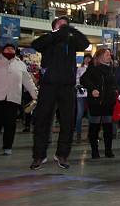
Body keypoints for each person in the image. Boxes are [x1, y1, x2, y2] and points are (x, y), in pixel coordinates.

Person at [30, 15, 91, 170]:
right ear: (54, 26)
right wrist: (56, 34)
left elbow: (85, 43)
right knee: (42, 121)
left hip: (67, 87)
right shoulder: (48, 39)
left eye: (66, 25)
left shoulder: (71, 42)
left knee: (68, 122)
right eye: (61, 24)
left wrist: (70, 30)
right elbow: (36, 44)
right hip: (48, 86)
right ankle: (39, 155)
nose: (64, 27)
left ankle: (62, 154)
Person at [0, 43, 37, 156]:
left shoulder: (20, 64)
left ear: (15, 51)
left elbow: (28, 81)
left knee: (10, 124)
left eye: (12, 49)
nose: (9, 50)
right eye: (7, 48)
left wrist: (35, 94)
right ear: (3, 50)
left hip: (13, 98)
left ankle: (7, 147)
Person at [80, 48, 118, 159]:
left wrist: (115, 90)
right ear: (101, 56)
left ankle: (108, 150)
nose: (109, 56)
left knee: (108, 128)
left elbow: (114, 83)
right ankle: (95, 151)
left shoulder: (111, 69)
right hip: (96, 102)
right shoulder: (93, 68)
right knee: (94, 128)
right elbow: (83, 80)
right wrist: (92, 89)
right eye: (107, 55)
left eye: (110, 55)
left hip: (108, 102)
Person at [74, 53, 92, 144]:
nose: (87, 60)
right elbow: (77, 80)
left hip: (90, 95)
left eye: (89, 58)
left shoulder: (93, 69)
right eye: (86, 58)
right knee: (79, 115)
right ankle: (78, 134)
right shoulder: (80, 69)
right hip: (81, 95)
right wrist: (79, 87)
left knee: (90, 116)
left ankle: (90, 135)